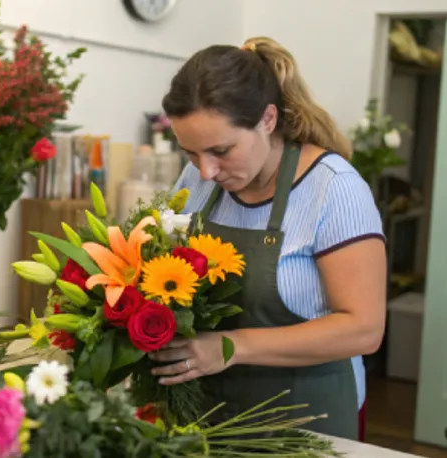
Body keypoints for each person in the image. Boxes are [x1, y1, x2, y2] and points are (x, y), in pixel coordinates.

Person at [147, 37, 387, 441]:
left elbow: (364, 329)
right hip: (206, 415)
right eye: (191, 153)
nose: (205, 171)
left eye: (221, 150)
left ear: (268, 120)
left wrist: (229, 346)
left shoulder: (334, 188)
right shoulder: (199, 181)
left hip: (306, 425)